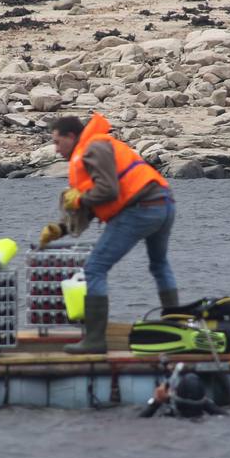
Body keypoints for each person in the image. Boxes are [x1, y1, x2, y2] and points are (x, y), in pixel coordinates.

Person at [42, 113, 178, 354]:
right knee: (159, 264)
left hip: (142, 209)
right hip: (163, 203)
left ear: (71, 137)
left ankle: (95, 340)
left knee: (94, 269)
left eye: (57, 142)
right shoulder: (98, 145)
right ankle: (176, 325)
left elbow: (108, 191)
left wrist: (79, 199)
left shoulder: (93, 149)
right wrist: (61, 228)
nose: (55, 150)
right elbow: (101, 202)